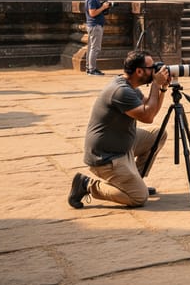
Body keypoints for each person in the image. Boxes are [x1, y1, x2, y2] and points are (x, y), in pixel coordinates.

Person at [67, 50, 171, 208]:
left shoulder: (130, 85)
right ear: (139, 71)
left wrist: (162, 89)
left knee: (158, 134)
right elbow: (147, 116)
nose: (155, 70)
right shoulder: (121, 91)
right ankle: (86, 185)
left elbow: (151, 110)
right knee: (139, 198)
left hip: (122, 145)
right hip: (106, 157)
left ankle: (134, 182)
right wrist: (156, 84)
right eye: (152, 67)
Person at [84, 0, 112, 76]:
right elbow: (92, 13)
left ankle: (89, 68)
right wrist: (103, 7)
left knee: (91, 48)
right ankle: (92, 69)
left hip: (94, 25)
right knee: (95, 48)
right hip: (95, 26)